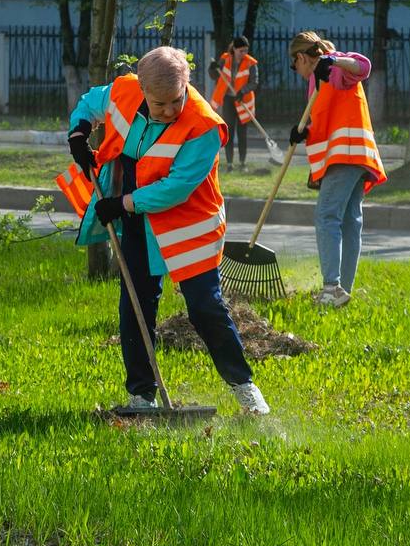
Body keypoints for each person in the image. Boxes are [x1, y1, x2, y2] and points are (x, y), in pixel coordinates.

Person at [65, 46, 269, 415]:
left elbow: (176, 187)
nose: (169, 111)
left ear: (186, 84)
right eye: (159, 104)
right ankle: (141, 395)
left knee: (205, 307)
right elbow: (90, 102)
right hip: (138, 219)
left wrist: (123, 203)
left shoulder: (202, 125)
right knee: (136, 303)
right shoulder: (124, 91)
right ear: (142, 88)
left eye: (175, 101)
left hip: (189, 224)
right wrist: (78, 133)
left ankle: (246, 390)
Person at [286, 31, 386, 308]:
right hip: (353, 155)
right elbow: (327, 116)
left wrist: (332, 60)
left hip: (347, 154)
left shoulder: (334, 68)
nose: (298, 72)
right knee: (349, 220)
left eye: (295, 66)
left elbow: (363, 66)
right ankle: (342, 290)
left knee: (327, 215)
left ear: (301, 57)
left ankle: (331, 287)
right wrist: (302, 132)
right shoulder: (318, 80)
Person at [208, 35, 259, 171]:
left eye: (246, 50)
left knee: (242, 133)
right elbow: (214, 76)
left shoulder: (251, 63)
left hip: (243, 100)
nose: (244, 53)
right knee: (229, 131)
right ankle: (230, 163)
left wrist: (243, 91)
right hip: (229, 99)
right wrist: (212, 68)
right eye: (241, 50)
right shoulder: (225, 59)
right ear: (234, 49)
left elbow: (254, 82)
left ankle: (243, 163)